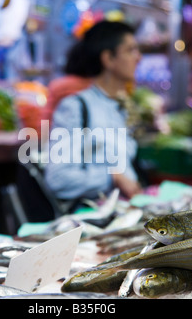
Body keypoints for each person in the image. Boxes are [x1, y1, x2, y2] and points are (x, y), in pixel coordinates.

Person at [44, 20, 143, 203]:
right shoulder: (76, 107)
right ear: (108, 59)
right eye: (130, 50)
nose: (138, 57)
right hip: (93, 219)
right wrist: (111, 177)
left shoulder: (121, 108)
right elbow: (58, 179)